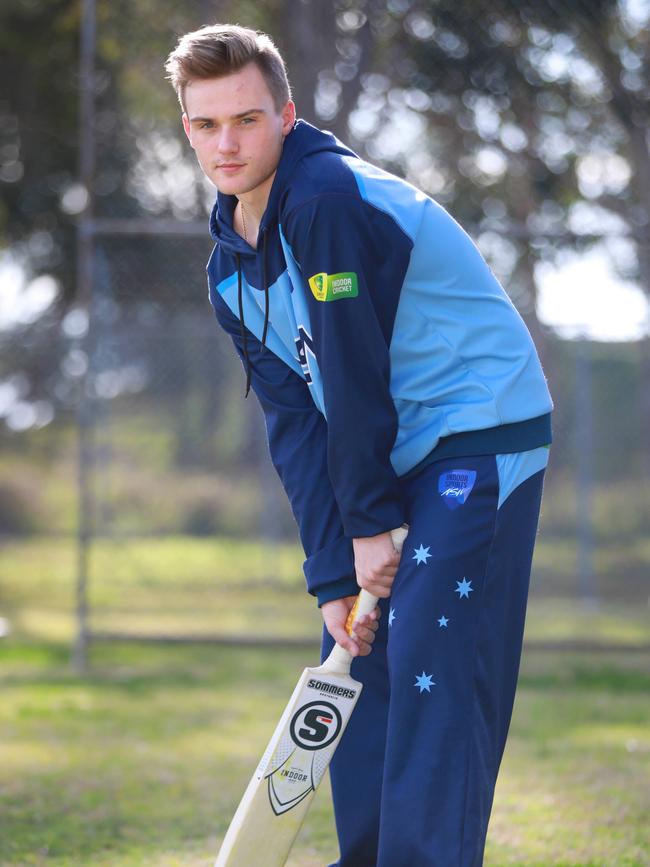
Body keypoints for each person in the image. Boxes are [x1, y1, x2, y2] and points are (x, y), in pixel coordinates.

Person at [165, 23, 552, 867]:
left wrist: (370, 520)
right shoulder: (231, 268)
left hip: (475, 430)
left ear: (287, 114)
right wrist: (335, 571)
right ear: (186, 127)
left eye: (247, 120)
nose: (227, 143)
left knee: (431, 651)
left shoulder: (325, 202)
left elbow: (350, 376)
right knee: (360, 651)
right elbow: (298, 425)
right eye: (205, 125)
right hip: (396, 448)